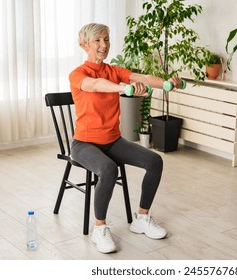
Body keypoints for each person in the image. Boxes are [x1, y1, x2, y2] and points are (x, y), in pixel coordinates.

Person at [69, 23, 182, 254]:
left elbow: (142, 77)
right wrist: (123, 89)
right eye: (98, 41)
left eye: (107, 39)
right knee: (109, 169)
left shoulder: (115, 70)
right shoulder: (78, 74)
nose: (104, 45)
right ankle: (99, 229)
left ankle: (141, 218)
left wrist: (167, 84)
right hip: (84, 143)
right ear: (84, 44)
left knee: (154, 161)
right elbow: (97, 86)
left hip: (112, 141)